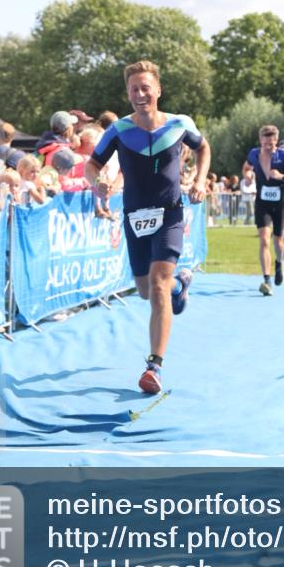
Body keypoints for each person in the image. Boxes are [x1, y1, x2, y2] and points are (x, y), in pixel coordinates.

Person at [85, 60, 210, 395]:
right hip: (135, 216)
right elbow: (92, 164)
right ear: (128, 94)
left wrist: (199, 180)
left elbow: (204, 148)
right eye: (133, 90)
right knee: (145, 290)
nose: (140, 95)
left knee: (155, 285)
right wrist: (98, 182)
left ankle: (154, 366)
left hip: (170, 214)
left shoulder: (180, 124)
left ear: (158, 90)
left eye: (145, 88)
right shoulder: (120, 130)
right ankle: (179, 285)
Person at [245, 126, 284, 296]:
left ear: (276, 141)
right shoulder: (253, 154)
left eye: (272, 143)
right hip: (262, 203)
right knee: (264, 241)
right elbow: (246, 167)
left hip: (279, 204)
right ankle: (267, 279)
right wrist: (248, 175)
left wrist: (282, 177)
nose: (269, 146)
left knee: (278, 241)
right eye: (266, 142)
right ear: (261, 140)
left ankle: (279, 263)